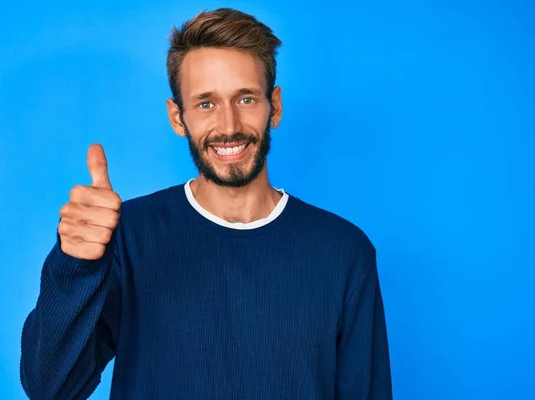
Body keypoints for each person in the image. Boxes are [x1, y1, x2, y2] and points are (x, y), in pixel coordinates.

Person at [19, 7, 392, 400]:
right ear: (178, 117)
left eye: (245, 99)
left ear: (275, 107)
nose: (229, 126)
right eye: (206, 104)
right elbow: (50, 387)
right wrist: (74, 266)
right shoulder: (126, 235)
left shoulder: (344, 252)